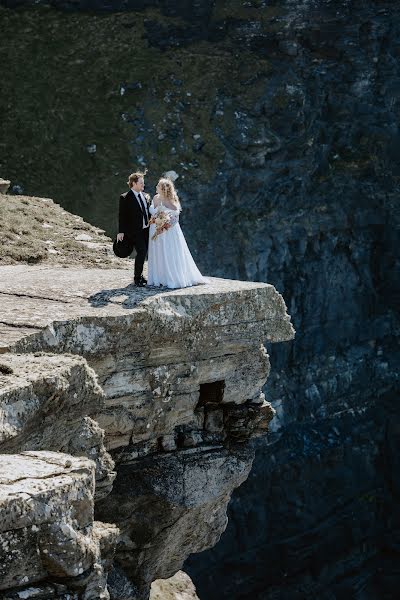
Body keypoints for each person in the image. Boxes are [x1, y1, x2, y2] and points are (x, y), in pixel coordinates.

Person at [147, 177, 207, 289]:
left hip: (167, 232)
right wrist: (155, 221)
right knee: (158, 253)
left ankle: (171, 277)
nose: (156, 187)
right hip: (154, 229)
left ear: (163, 189)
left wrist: (165, 225)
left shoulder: (171, 201)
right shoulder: (155, 198)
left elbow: (175, 216)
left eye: (158, 186)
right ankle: (158, 278)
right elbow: (153, 213)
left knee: (168, 252)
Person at [117, 171, 150, 287]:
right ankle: (137, 278)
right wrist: (121, 231)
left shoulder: (145, 196)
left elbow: (147, 212)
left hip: (147, 230)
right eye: (141, 183)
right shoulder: (125, 197)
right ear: (134, 183)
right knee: (141, 251)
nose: (143, 185)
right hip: (135, 231)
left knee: (146, 252)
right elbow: (122, 215)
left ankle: (141, 276)